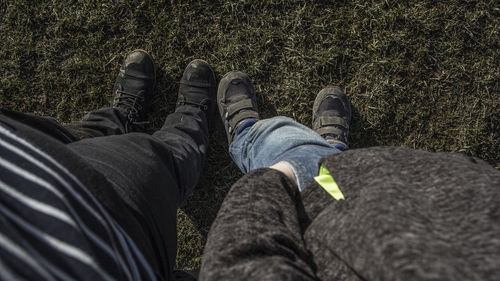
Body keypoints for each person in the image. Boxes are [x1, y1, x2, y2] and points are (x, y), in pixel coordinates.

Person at [199, 71, 500, 281]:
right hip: (407, 191)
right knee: (333, 165)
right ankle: (331, 151)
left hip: (328, 199)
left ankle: (247, 133)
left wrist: (276, 179)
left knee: (285, 144)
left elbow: (242, 261)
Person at [0, 49, 217, 280]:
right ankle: (189, 123)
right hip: (101, 250)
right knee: (159, 163)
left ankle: (120, 120)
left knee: (75, 138)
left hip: (17, 155)